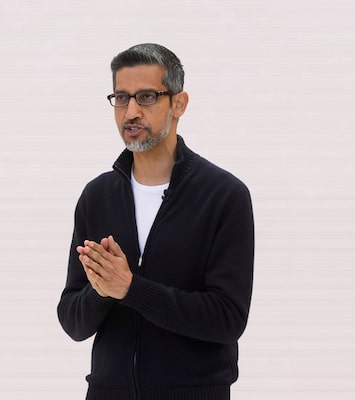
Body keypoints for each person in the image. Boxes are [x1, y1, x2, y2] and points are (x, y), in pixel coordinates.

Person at [57, 43, 254, 400]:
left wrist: (131, 288)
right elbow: (72, 321)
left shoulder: (224, 196)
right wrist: (103, 290)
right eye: (121, 98)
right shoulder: (97, 196)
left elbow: (227, 319)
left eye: (147, 97)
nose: (131, 112)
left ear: (179, 103)